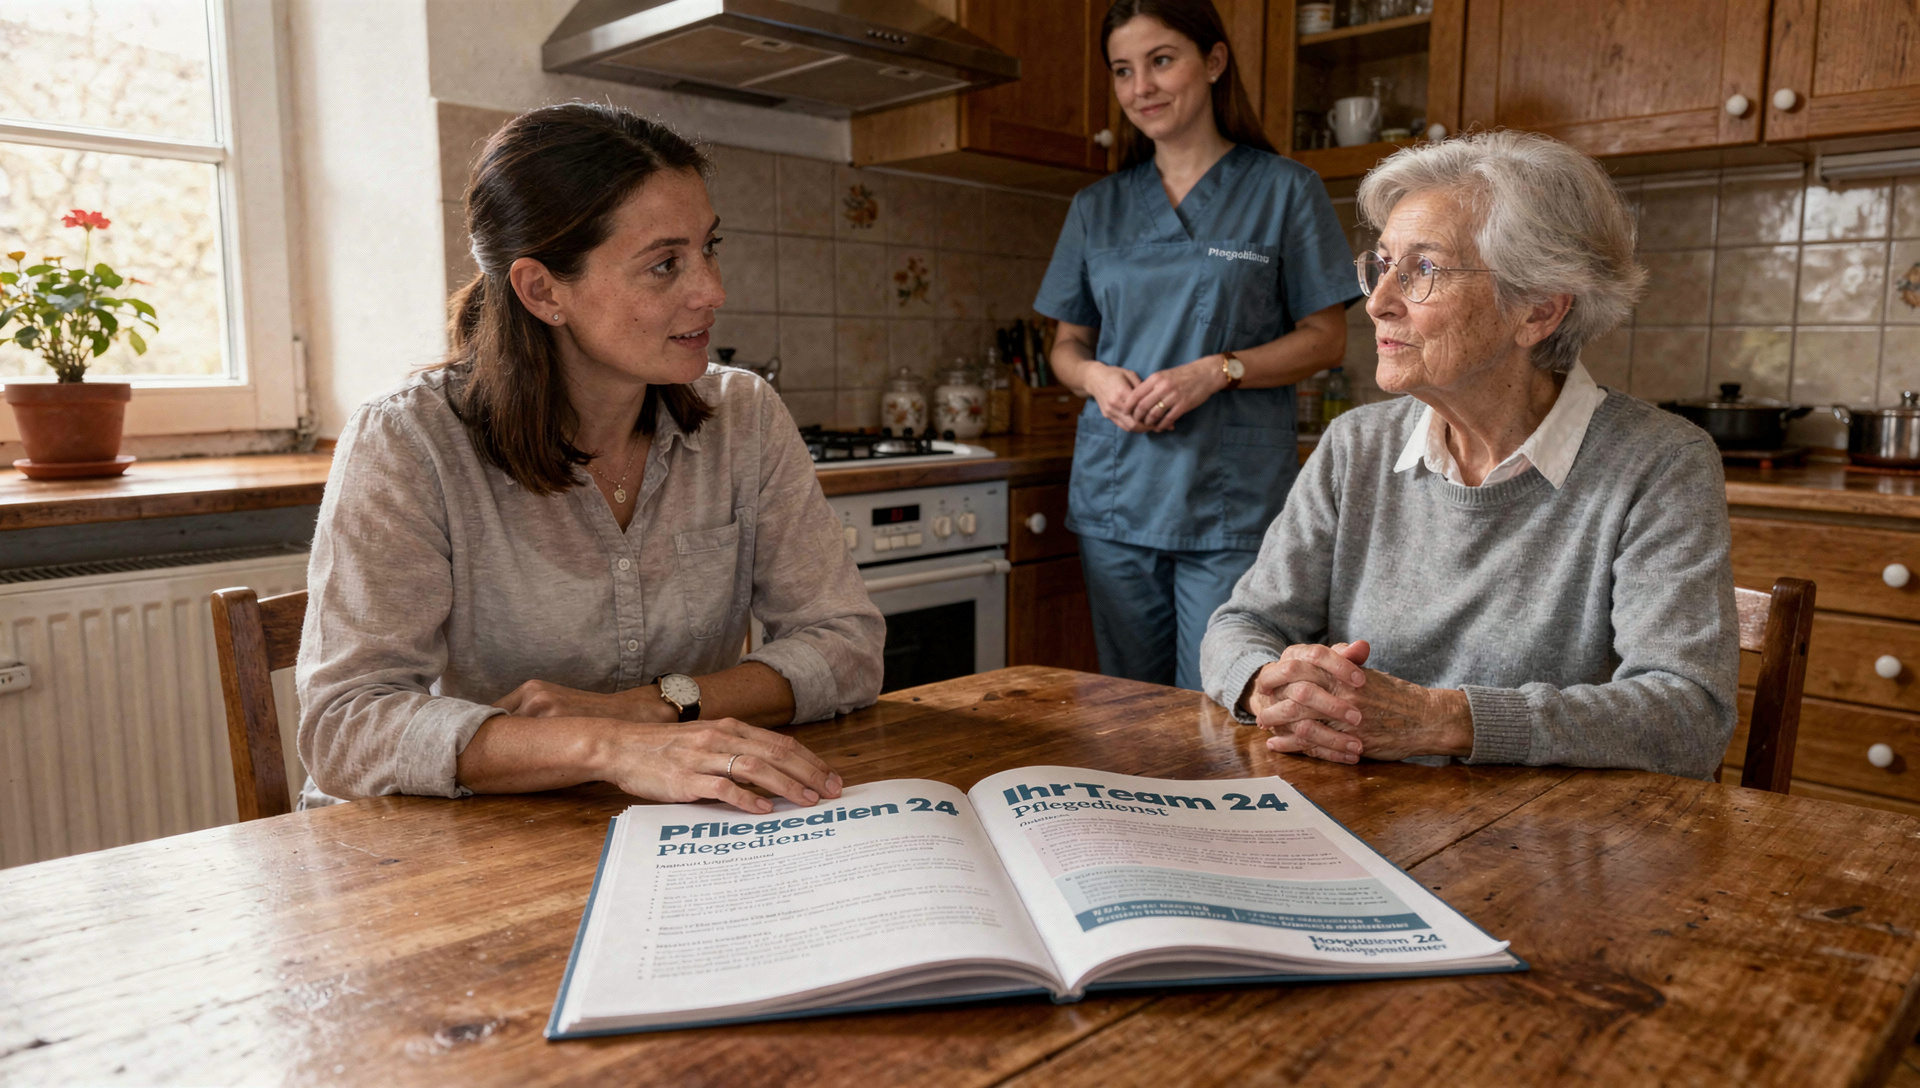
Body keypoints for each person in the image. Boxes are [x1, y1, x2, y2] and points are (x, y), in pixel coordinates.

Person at [296, 104, 884, 815]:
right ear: (543, 291)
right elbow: (345, 727)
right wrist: (607, 744)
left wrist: (659, 708)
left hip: (694, 831)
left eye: (708, 248)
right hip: (467, 853)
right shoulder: (407, 441)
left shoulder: (744, 415)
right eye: (665, 264)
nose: (713, 291)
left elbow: (847, 645)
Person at [1199, 130, 1739, 780]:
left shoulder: (1660, 463)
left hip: (1550, 850)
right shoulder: (1355, 446)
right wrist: (1267, 684)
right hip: (1367, 822)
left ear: (1538, 310)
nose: (1376, 302)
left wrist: (1441, 720)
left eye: (1422, 270)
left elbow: (1689, 717)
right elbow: (1243, 623)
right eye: (1381, 264)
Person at [1037, 0, 1358, 692]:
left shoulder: (1284, 190)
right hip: (1117, 497)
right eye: (1123, 70)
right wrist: (1093, 377)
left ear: (1213, 62)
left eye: (1161, 61)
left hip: (1230, 507)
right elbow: (1066, 345)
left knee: (1222, 705)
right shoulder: (1096, 207)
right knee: (1125, 712)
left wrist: (1220, 370)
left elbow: (1326, 339)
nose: (1140, 87)